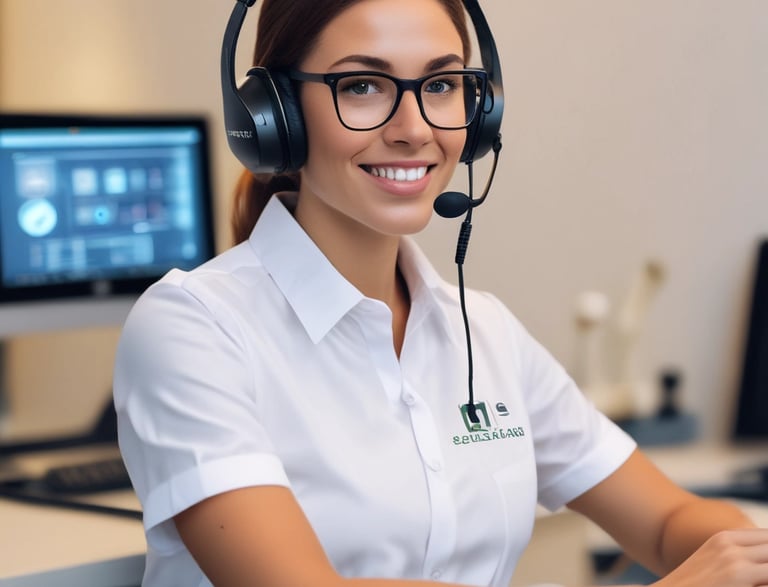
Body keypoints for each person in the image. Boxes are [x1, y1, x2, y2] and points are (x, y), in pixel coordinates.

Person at [112, 0, 768, 586]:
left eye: (441, 84)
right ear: (274, 115)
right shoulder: (193, 327)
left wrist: (739, 556)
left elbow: (668, 520)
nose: (414, 128)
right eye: (362, 85)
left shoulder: (485, 331)